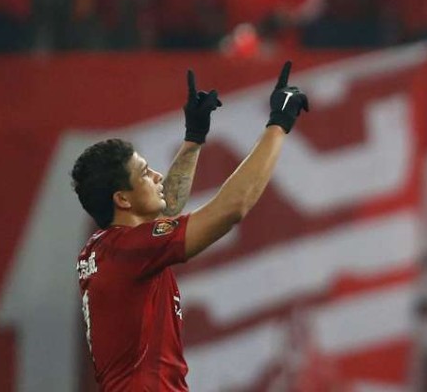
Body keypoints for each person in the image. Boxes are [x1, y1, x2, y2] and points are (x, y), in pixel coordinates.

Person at [71, 63, 309, 391]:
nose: (156, 175)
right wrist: (279, 123)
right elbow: (231, 208)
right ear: (122, 200)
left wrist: (193, 139)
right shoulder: (131, 249)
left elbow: (165, 203)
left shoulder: (103, 248)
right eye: (144, 173)